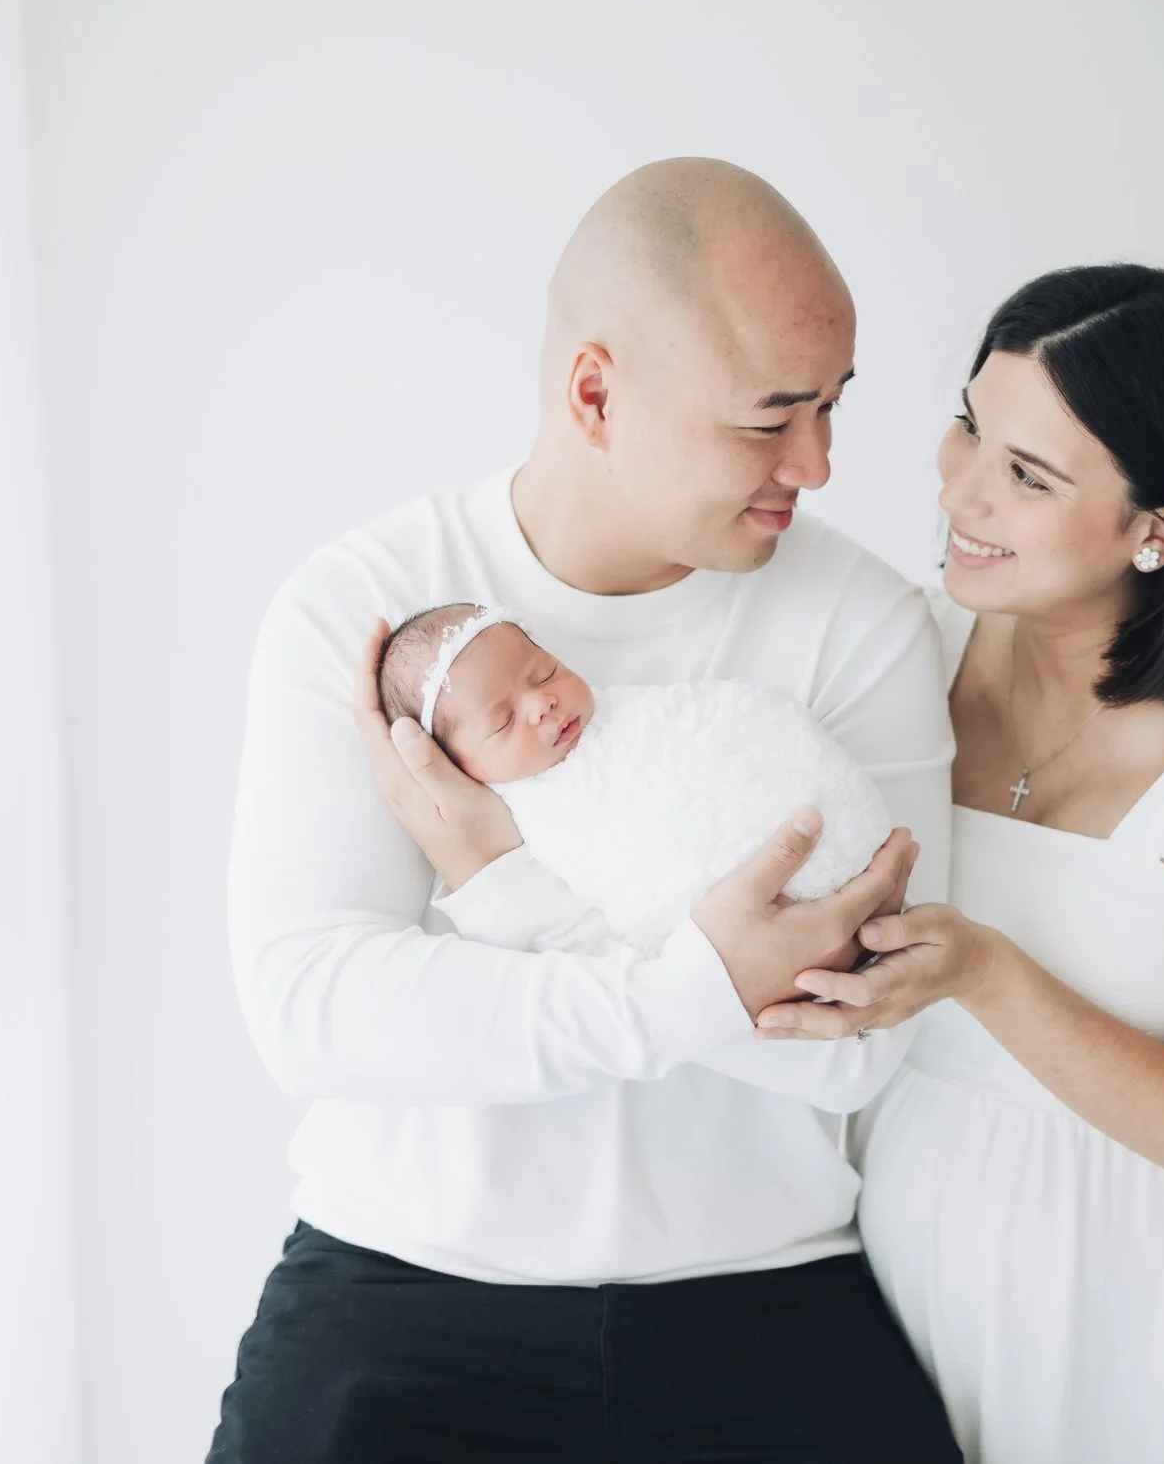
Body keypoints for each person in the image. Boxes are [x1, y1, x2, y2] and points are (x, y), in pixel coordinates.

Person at [209, 159, 963, 1462]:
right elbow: (317, 1009)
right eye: (770, 417)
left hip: (766, 1296)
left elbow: (861, 1050)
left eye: (833, 409)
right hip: (401, 1295)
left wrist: (510, 892)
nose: (820, 463)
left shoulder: (865, 629)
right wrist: (701, 986)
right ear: (596, 391)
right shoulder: (372, 611)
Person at [754, 265, 1164, 1461]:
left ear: (1160, 527)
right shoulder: (908, 646)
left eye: (1027, 475)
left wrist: (986, 972)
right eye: (970, 422)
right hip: (898, 1271)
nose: (958, 485)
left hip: (1154, 1300)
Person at [371, 601, 895, 956]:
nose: (542, 703)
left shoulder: (639, 714)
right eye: (503, 720)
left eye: (545, 672)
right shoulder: (523, 819)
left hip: (827, 845)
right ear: (455, 768)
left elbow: (726, 730)